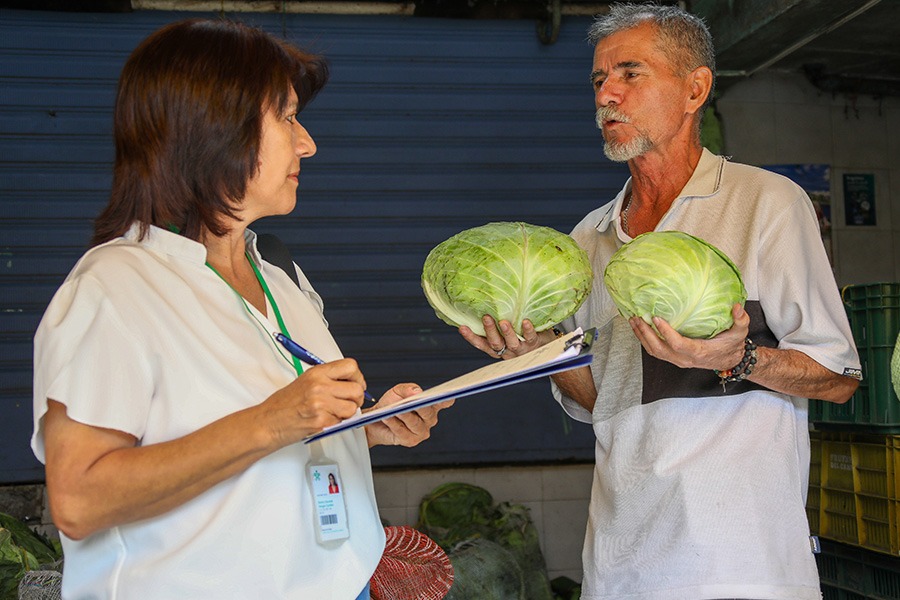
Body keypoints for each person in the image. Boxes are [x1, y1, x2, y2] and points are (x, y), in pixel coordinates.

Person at [31, 19, 451, 600]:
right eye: (286, 116)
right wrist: (272, 420)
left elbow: (280, 442)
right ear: (213, 130)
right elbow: (78, 500)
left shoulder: (279, 277)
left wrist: (364, 428)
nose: (307, 143)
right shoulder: (115, 287)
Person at [460, 4, 861, 599]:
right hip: (622, 566)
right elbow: (605, 402)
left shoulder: (767, 204)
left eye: (630, 73)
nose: (607, 97)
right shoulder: (588, 239)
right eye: (598, 80)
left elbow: (838, 378)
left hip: (741, 568)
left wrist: (738, 359)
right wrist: (541, 354)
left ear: (695, 89)